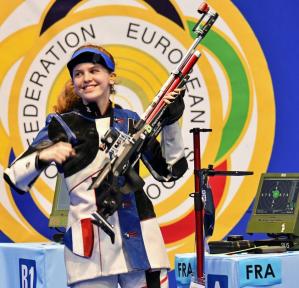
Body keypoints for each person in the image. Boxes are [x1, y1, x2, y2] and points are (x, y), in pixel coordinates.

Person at [4, 44, 188, 288]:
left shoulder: (131, 121)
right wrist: (44, 155)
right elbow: (15, 176)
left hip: (142, 244)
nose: (86, 78)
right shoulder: (61, 124)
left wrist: (171, 121)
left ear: (111, 77)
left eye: (94, 70)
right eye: (78, 73)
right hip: (89, 252)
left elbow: (169, 171)